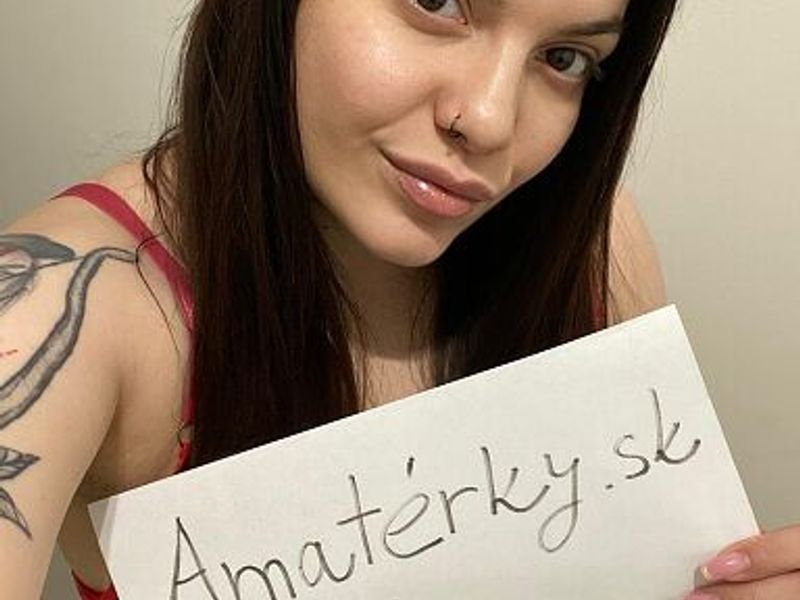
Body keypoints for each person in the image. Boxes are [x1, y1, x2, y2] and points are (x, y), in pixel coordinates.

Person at [2, 0, 798, 598]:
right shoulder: (60, 309)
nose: (489, 120)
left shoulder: (596, 250)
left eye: (564, 58)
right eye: (437, 1)